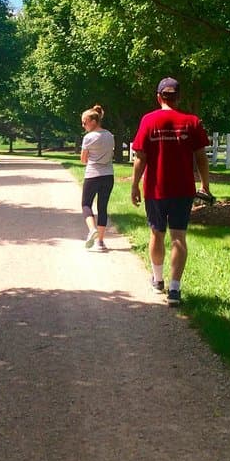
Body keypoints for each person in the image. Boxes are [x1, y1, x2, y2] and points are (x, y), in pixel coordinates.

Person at [130, 77, 211, 305]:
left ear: (159, 97)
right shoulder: (192, 122)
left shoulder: (148, 120)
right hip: (183, 189)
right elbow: (201, 158)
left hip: (156, 188)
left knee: (156, 233)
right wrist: (205, 184)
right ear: (179, 97)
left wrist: (135, 184)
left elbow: (140, 158)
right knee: (178, 237)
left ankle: (158, 280)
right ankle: (175, 290)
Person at [80, 104, 115, 251]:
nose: (83, 126)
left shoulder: (88, 137)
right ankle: (100, 242)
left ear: (93, 121)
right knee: (102, 207)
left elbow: (83, 159)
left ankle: (92, 229)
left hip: (93, 175)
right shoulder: (110, 136)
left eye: (85, 122)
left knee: (86, 204)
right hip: (108, 175)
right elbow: (111, 155)